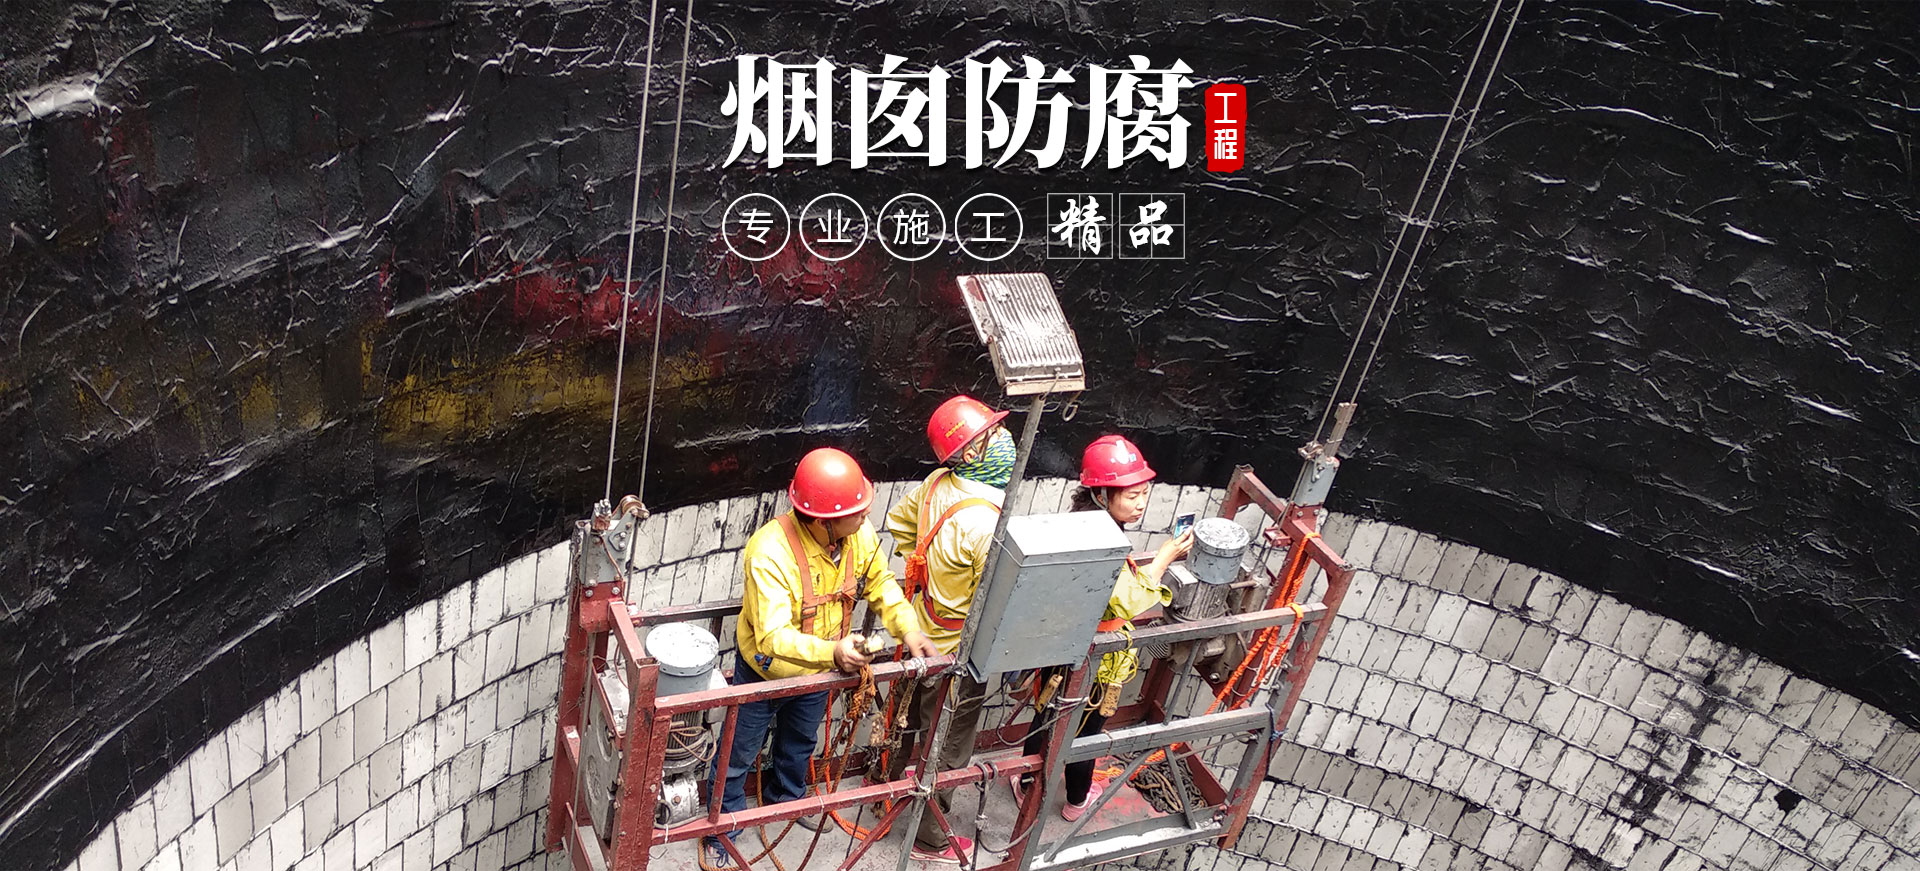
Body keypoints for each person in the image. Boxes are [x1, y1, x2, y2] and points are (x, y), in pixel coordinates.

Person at [703, 448, 937, 866]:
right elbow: (772, 637)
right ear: (822, 520)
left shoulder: (856, 535)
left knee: (800, 743)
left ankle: (788, 799)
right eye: (856, 512)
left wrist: (909, 628)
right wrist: (833, 651)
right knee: (738, 753)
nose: (866, 516)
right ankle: (723, 828)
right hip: (765, 672)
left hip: (819, 670)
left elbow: (881, 584)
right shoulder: (769, 552)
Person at [1019, 434, 1190, 822]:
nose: (1141, 503)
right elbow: (1127, 600)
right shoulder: (1102, 540)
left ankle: (1026, 782)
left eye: (1144, 494)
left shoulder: (1079, 525)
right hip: (1095, 657)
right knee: (1085, 730)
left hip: (1063, 645)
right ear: (1102, 494)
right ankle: (1076, 800)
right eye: (1132, 496)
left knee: (1047, 714)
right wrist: (1163, 559)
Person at [880, 394, 1014, 865]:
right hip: (956, 652)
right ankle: (930, 839)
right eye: (992, 434)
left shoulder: (936, 483)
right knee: (948, 744)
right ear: (970, 451)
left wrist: (926, 570)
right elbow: (995, 601)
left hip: (918, 631)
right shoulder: (988, 522)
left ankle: (883, 796)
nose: (1004, 440)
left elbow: (899, 523)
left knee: (902, 723)